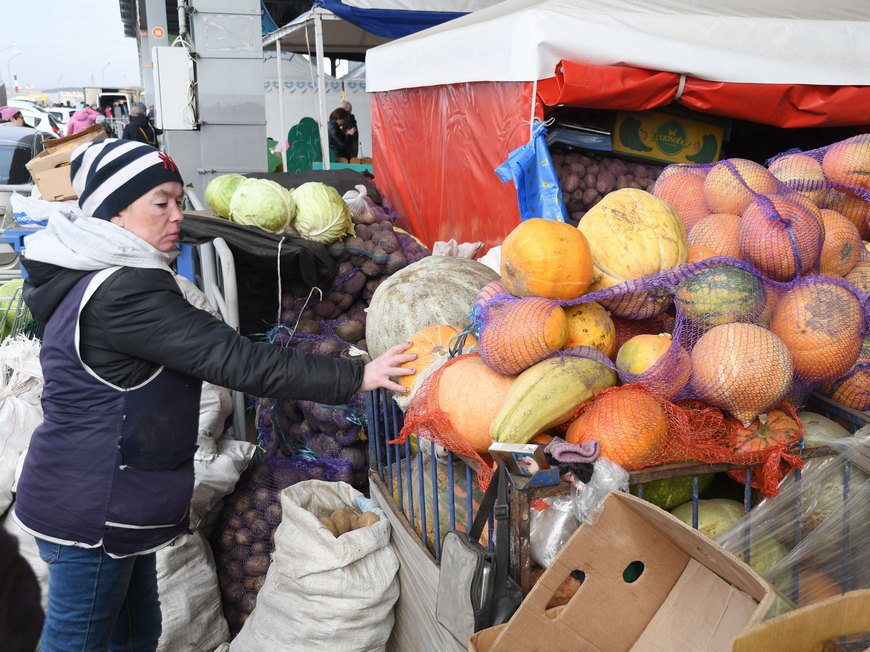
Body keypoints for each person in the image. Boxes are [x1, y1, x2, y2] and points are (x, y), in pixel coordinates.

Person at [15, 138, 415, 650]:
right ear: (114, 212)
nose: (177, 216)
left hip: (116, 499)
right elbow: (236, 360)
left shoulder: (96, 271)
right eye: (161, 203)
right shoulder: (124, 292)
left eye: (179, 201)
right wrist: (355, 376)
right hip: (95, 505)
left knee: (137, 633)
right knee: (82, 639)